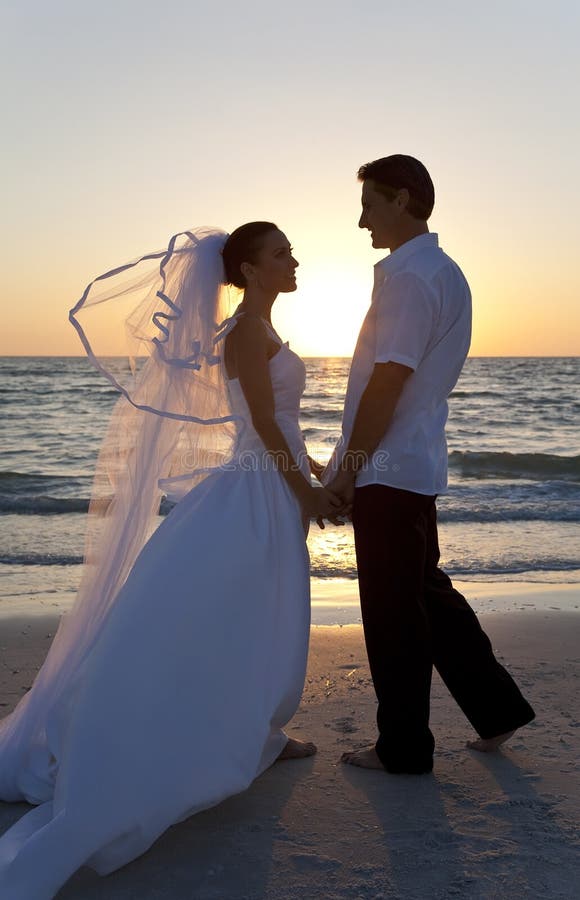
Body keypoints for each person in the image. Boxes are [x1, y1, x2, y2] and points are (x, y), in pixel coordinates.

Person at [0, 222, 344, 898]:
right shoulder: (246, 330)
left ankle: (262, 732)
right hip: (254, 491)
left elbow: (287, 424)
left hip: (270, 486)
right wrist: (306, 487)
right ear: (249, 266)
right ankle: (197, 740)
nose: (293, 259)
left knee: (259, 614)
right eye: (281, 252)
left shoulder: (261, 328)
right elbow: (266, 427)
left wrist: (324, 473)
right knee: (227, 616)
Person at [325, 155, 535, 774]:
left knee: (394, 614)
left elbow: (388, 382)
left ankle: (404, 749)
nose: (361, 219)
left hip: (391, 470)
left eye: (369, 203)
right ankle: (497, 710)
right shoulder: (438, 271)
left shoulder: (414, 280)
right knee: (425, 596)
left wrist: (346, 470)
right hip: (410, 463)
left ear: (402, 199)